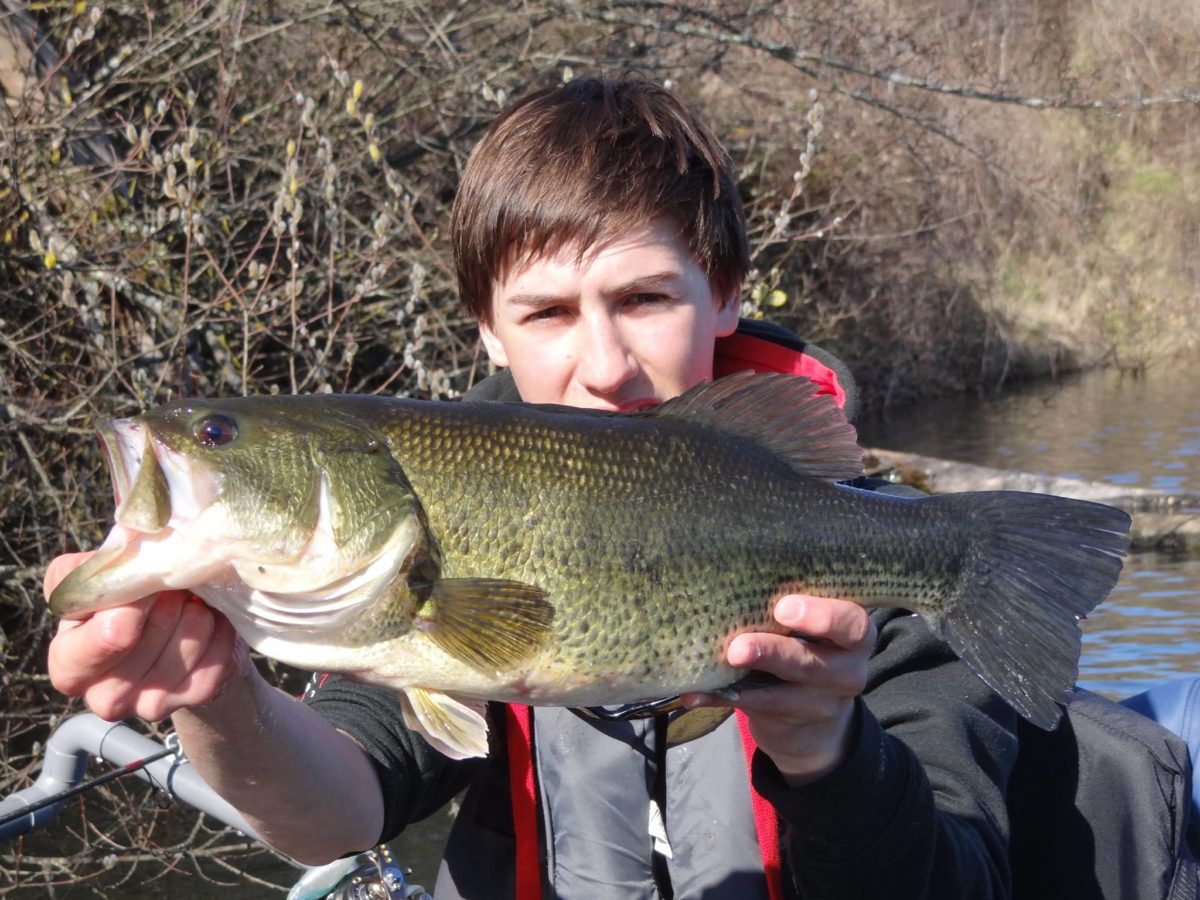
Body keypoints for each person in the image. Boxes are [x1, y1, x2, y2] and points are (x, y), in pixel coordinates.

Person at [45, 76, 1031, 899]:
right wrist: (220, 698)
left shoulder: (886, 560)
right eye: (548, 313)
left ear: (726, 291)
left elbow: (965, 880)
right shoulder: (421, 542)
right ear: (488, 328)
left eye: (644, 298)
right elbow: (334, 817)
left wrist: (826, 749)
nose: (606, 366)